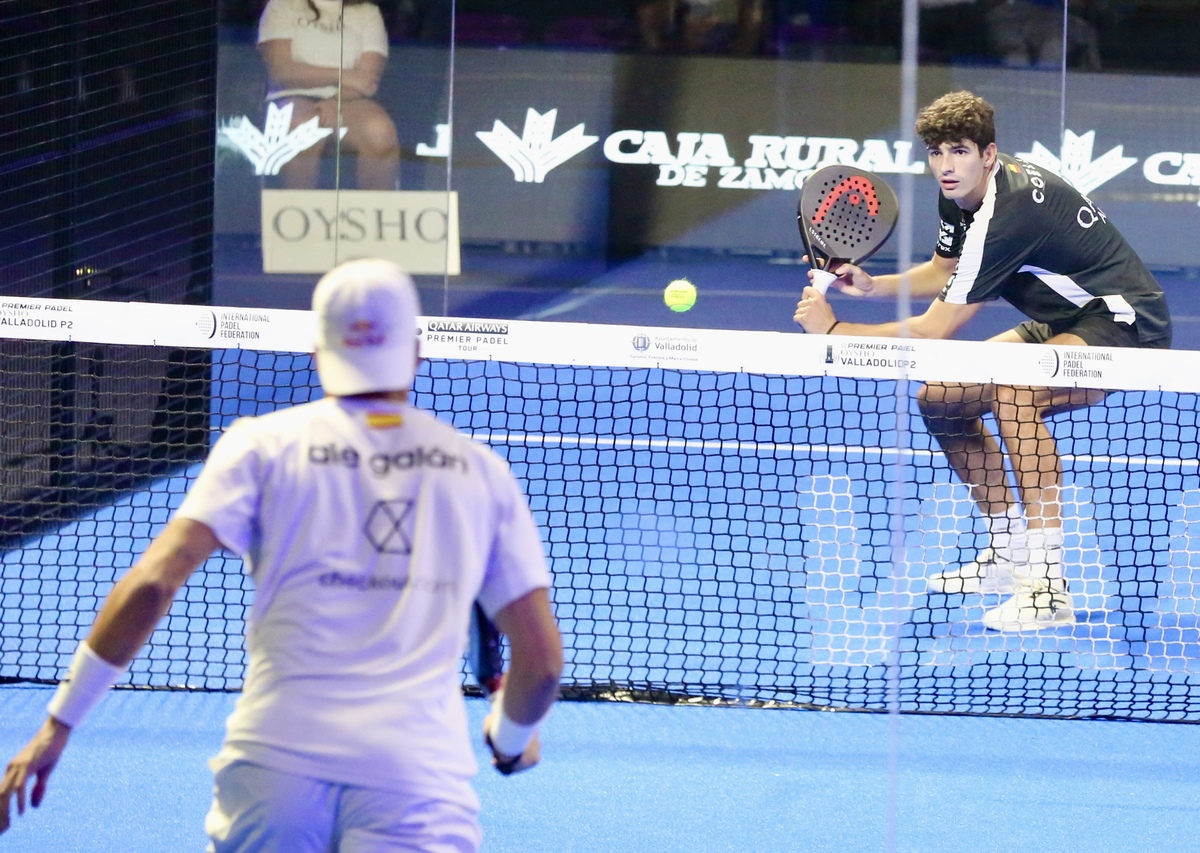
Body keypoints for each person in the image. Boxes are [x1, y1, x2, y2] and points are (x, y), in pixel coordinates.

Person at [0, 258, 564, 850]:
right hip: (416, 780)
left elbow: (152, 584)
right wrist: (509, 736)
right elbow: (542, 661)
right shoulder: (479, 472)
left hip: (273, 769)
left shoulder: (258, 447)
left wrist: (58, 724)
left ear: (317, 351)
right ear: (417, 351)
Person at [793, 90, 1171, 632]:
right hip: (1064, 320)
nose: (947, 166)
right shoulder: (962, 193)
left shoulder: (1009, 212)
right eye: (938, 152)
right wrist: (873, 287)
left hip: (1124, 325)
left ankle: (1047, 585)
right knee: (940, 399)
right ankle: (1009, 552)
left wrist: (833, 330)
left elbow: (936, 328)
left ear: (988, 154)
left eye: (960, 152)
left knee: (1015, 389)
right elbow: (945, 270)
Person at [258, 0, 401, 189]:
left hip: (350, 99)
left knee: (380, 131)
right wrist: (342, 74)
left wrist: (334, 101)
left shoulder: (368, 12)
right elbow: (281, 72)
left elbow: (367, 81)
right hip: (292, 95)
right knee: (301, 130)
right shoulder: (283, 5)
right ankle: (296, 213)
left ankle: (377, 213)